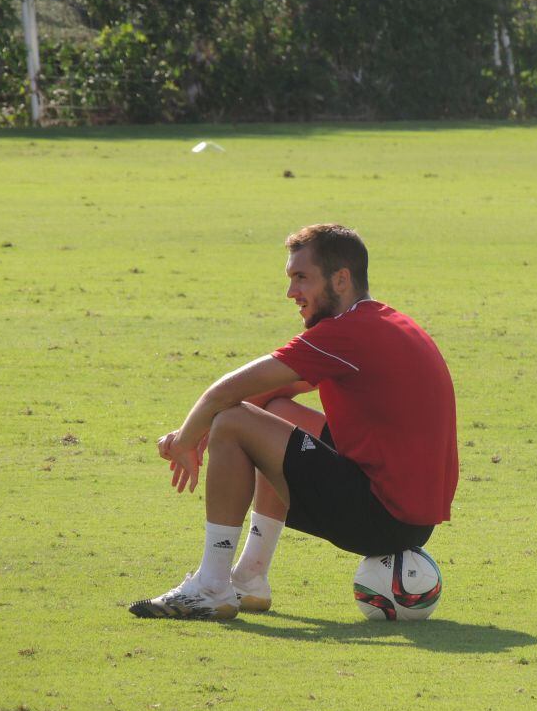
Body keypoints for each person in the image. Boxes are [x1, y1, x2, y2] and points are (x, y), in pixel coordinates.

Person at [129, 223, 458, 620]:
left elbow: (224, 393)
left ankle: (212, 586)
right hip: (409, 516)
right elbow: (268, 394)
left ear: (341, 279)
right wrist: (203, 433)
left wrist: (187, 438)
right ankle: (250, 578)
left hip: (381, 518)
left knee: (233, 421)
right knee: (274, 411)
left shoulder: (345, 335)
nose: (291, 293)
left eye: (301, 278)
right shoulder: (381, 322)